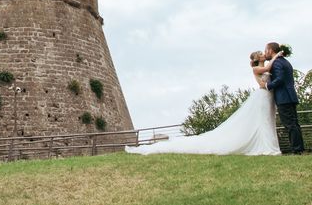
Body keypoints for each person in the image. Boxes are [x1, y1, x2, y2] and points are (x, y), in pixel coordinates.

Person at [125, 49, 282, 156]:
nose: (263, 55)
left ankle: (268, 145)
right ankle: (267, 147)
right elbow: (267, 68)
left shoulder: (264, 67)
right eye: (261, 54)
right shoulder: (257, 69)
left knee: (266, 122)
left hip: (267, 98)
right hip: (262, 96)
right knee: (262, 121)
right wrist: (277, 55)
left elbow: (269, 69)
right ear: (257, 59)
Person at [260, 42, 305, 154]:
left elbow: (279, 79)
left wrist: (267, 86)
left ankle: (297, 150)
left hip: (283, 98)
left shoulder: (276, 63)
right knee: (294, 124)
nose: (265, 52)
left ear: (271, 50)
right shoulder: (285, 62)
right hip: (290, 96)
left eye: (266, 50)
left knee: (290, 125)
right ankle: (299, 149)